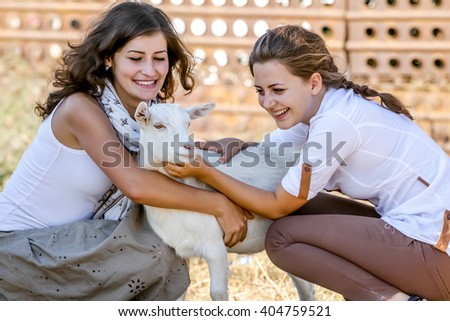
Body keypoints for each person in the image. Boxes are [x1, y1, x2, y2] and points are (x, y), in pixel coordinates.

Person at [166, 24, 450, 301]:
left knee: (282, 238)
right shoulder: (320, 109)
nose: (266, 102)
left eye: (277, 90)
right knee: (298, 207)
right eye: (260, 91)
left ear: (314, 82)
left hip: (437, 252)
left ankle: (396, 304)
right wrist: (237, 144)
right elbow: (267, 154)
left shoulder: (335, 123)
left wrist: (206, 174)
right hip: (415, 236)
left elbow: (278, 204)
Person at [0, 1, 251, 300]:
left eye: (159, 58)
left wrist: (224, 147)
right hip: (19, 250)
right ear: (109, 58)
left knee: (161, 244)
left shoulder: (150, 116)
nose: (149, 70)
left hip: (73, 242)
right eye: (135, 58)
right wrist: (219, 204)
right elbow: (136, 183)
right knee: (155, 251)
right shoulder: (82, 109)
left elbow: (172, 160)